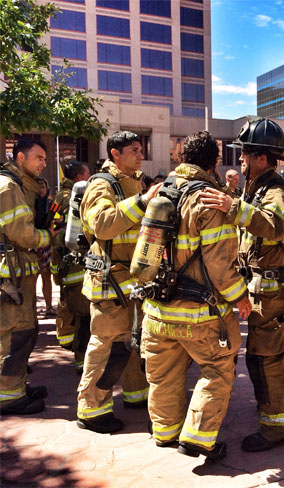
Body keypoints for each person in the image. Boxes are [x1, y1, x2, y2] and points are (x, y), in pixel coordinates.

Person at [139, 131, 252, 460]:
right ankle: (199, 438)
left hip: (157, 309)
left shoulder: (161, 191)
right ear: (215, 162)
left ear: (180, 157)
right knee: (218, 369)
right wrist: (239, 297)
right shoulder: (209, 200)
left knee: (162, 374)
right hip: (199, 313)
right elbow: (220, 264)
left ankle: (164, 432)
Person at [200, 118, 284, 452]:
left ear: (262, 157)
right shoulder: (257, 187)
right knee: (281, 346)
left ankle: (277, 426)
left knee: (264, 357)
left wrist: (234, 208)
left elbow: (275, 227)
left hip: (270, 290)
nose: (240, 159)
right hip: (266, 288)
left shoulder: (275, 191)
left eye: (244, 153)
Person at [76, 131, 160, 433]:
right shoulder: (101, 183)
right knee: (105, 346)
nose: (140, 155)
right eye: (134, 150)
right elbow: (102, 225)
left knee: (133, 342)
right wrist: (141, 201)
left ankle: (136, 396)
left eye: (141, 150)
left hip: (130, 281)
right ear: (115, 153)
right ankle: (92, 410)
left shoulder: (134, 181)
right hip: (108, 282)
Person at [0, 138, 52, 415]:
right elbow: (22, 234)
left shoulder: (20, 186)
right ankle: (8, 396)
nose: (43, 163)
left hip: (19, 272)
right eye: (39, 157)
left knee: (25, 331)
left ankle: (16, 385)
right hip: (11, 276)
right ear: (20, 156)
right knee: (14, 334)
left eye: (45, 158)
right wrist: (48, 236)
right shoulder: (8, 187)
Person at [50, 161, 91, 372]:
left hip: (63, 262)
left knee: (71, 308)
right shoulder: (76, 198)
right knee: (85, 315)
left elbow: (54, 226)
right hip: (79, 264)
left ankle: (68, 342)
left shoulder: (58, 198)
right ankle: (82, 360)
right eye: (87, 175)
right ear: (78, 178)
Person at [34, 177, 54, 316]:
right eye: (38, 186)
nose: (41, 189)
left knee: (47, 276)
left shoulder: (51, 204)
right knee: (32, 277)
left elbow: (60, 218)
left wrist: (54, 228)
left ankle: (49, 307)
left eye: (43, 186)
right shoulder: (30, 203)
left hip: (46, 243)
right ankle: (32, 307)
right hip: (32, 243)